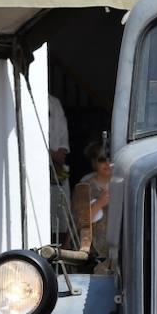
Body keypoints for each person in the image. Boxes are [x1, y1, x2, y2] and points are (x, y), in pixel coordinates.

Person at [72, 140, 112, 270]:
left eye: (110, 159)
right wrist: (100, 203)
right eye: (101, 159)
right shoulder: (84, 187)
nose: (107, 163)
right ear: (94, 162)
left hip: (120, 253)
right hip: (93, 255)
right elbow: (78, 222)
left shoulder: (124, 183)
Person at [49, 94, 73, 244]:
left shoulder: (54, 102)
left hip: (58, 167)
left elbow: (64, 136)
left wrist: (59, 154)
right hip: (41, 165)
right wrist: (50, 154)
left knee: (62, 214)